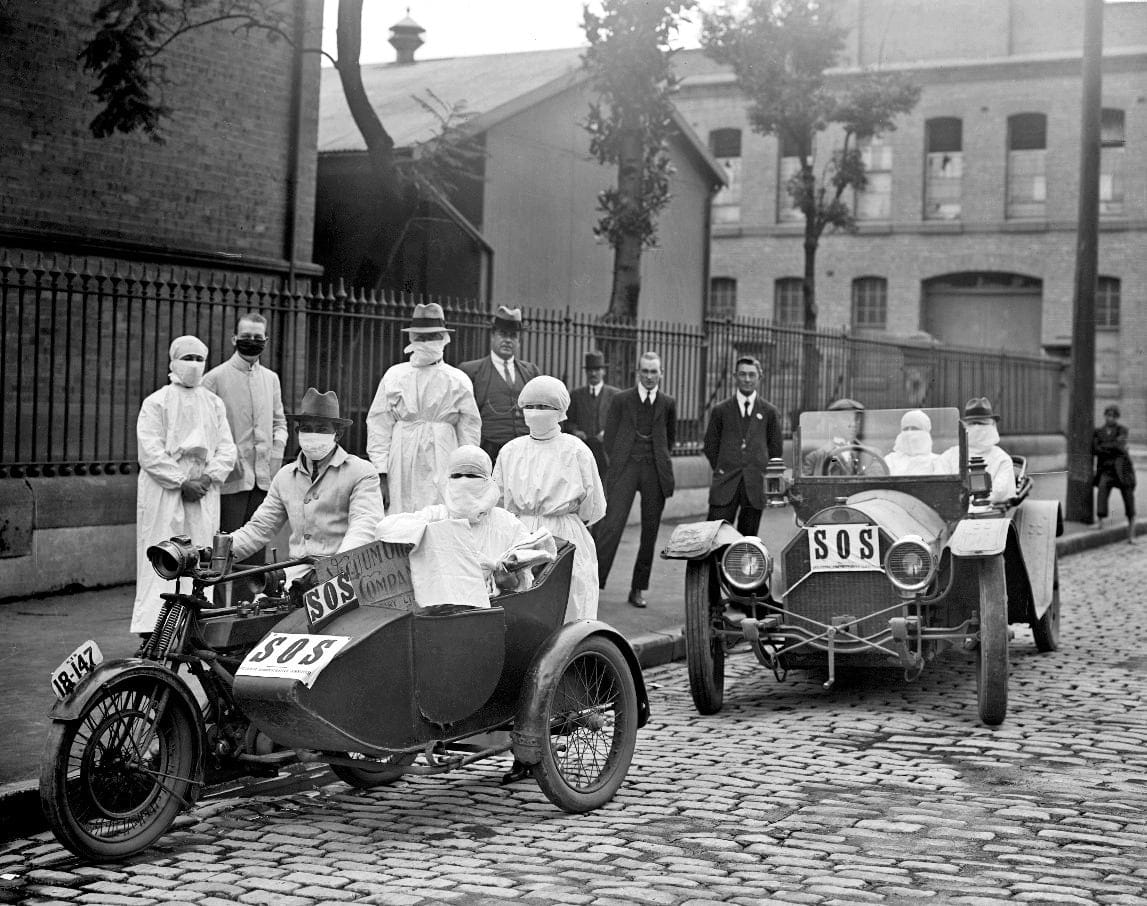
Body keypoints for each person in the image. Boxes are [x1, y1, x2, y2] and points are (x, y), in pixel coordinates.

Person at [132, 336, 237, 633]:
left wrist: (206, 477)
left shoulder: (214, 404)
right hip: (165, 490)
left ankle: (194, 623)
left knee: (200, 553)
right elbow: (149, 451)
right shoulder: (156, 402)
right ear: (173, 361)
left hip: (203, 490)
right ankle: (154, 626)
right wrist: (181, 481)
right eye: (186, 358)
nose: (193, 365)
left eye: (198, 359)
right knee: (162, 552)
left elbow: (227, 449)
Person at [228, 388, 384, 576]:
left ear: (338, 434)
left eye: (321, 429)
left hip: (345, 572)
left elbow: (365, 524)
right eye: (306, 429)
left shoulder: (360, 471)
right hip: (295, 573)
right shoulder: (285, 476)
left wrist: (337, 567)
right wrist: (216, 552)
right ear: (297, 432)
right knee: (259, 605)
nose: (313, 435)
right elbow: (259, 528)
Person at [493, 375, 606, 622]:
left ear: (560, 411)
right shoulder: (511, 450)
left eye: (544, 407)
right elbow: (497, 500)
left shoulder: (576, 450)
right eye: (530, 406)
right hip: (519, 534)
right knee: (519, 599)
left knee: (570, 598)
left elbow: (593, 505)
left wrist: (565, 516)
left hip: (564, 534)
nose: (536, 412)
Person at [201, 312, 288, 602]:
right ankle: (214, 613)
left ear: (266, 340)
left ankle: (245, 611)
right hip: (231, 479)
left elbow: (279, 423)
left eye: (257, 338)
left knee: (255, 551)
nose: (252, 342)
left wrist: (276, 456)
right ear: (234, 339)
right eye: (246, 337)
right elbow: (205, 428)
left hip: (263, 477)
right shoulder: (214, 378)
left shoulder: (271, 379)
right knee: (222, 549)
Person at [366, 302, 481, 514]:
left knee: (439, 515)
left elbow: (469, 431)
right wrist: (381, 473)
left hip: (443, 454)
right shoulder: (395, 376)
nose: (426, 342)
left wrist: (466, 474)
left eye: (432, 337)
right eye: (421, 337)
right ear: (412, 339)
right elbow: (379, 425)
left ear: (444, 339)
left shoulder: (457, 380)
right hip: (402, 457)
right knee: (402, 515)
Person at [595, 352, 677, 608]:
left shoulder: (668, 403)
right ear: (638, 373)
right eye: (645, 372)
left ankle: (638, 588)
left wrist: (658, 459)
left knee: (650, 533)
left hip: (654, 471)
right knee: (611, 526)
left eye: (654, 372)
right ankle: (593, 583)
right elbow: (609, 438)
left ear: (661, 373)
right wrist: (622, 459)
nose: (650, 377)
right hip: (627, 469)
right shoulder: (622, 400)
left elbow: (670, 439)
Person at [703, 356, 783, 535]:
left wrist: (759, 469)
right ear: (735, 376)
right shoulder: (721, 410)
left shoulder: (769, 412)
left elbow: (775, 449)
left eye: (752, 375)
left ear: (759, 377)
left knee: (747, 542)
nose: (747, 379)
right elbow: (710, 446)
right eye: (742, 374)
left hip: (754, 487)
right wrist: (724, 466)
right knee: (714, 537)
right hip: (725, 484)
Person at [459, 306, 541, 461]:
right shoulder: (472, 371)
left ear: (519, 341)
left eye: (513, 336)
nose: (508, 340)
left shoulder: (530, 372)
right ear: (492, 336)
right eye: (503, 334)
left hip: (524, 452)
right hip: (488, 451)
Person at [937, 397, 1017, 504]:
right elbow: (941, 488)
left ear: (992, 425)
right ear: (964, 426)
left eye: (982, 423)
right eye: (972, 423)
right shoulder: (949, 456)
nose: (977, 427)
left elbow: (1000, 493)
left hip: (989, 515)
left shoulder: (1002, 459)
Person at [564, 350, 619, 480]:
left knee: (605, 493)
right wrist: (575, 431)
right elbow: (567, 422)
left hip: (606, 454)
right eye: (590, 370)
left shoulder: (615, 395)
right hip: (583, 451)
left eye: (597, 369)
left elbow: (623, 422)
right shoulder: (576, 395)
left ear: (604, 371)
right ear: (586, 372)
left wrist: (608, 432)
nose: (593, 373)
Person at [1093, 404, 1137, 542]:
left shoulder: (1122, 430)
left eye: (1113, 416)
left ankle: (1131, 533)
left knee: (1128, 497)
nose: (1110, 418)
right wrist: (1112, 447)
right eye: (1108, 415)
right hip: (1107, 470)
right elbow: (1095, 449)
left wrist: (1106, 447)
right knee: (1102, 490)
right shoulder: (1098, 432)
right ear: (1105, 416)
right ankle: (1100, 522)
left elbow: (1119, 446)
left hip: (1122, 469)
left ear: (1117, 417)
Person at [801, 398, 867, 476]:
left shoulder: (867, 454)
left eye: (856, 419)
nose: (853, 424)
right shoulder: (815, 458)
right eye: (846, 418)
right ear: (834, 421)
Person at [885, 409, 941, 476]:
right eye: (905, 429)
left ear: (925, 432)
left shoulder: (937, 461)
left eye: (914, 428)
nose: (909, 433)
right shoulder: (890, 460)